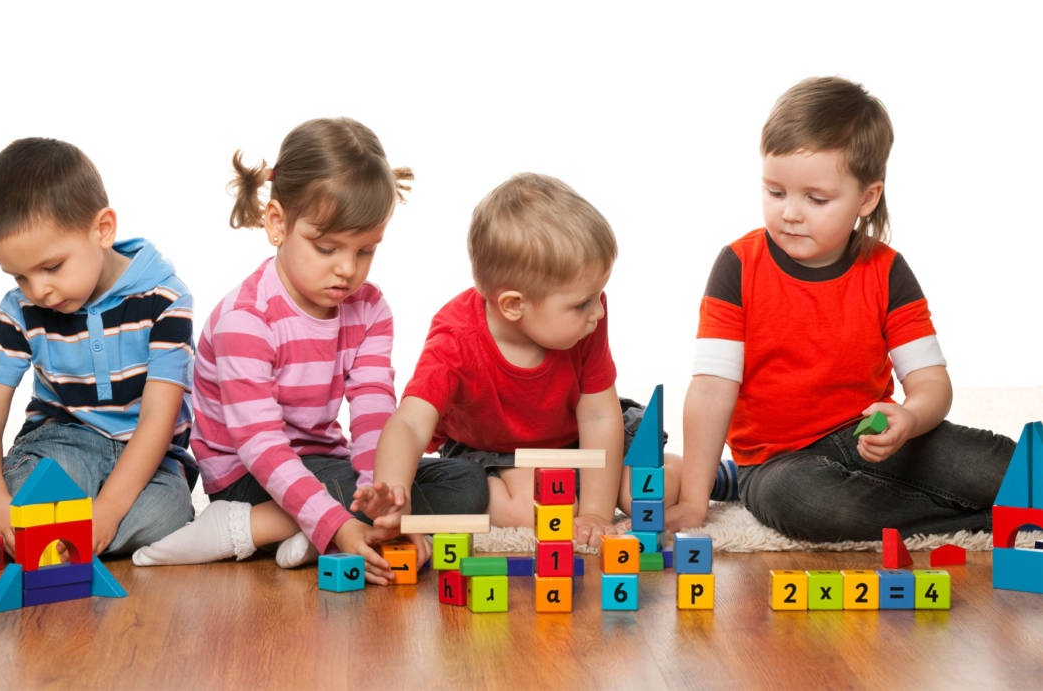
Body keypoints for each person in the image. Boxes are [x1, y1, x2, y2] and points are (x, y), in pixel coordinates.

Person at [131, 118, 488, 583]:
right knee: (348, 493)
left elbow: (373, 415)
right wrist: (347, 519)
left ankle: (314, 529)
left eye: (365, 251)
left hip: (325, 465)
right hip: (247, 476)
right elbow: (260, 445)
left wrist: (380, 498)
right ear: (277, 223)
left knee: (465, 482)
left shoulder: (371, 309)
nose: (347, 269)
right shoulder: (247, 318)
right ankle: (268, 526)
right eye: (327, 248)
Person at [666, 76, 1015, 540]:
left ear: (866, 198)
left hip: (870, 434)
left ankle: (975, 503)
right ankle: (983, 522)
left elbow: (930, 383)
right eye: (776, 192)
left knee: (1000, 463)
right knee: (810, 504)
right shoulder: (737, 266)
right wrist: (693, 501)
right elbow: (711, 390)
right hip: (779, 463)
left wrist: (909, 419)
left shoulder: (887, 271)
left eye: (816, 199)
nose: (790, 212)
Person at [354, 173, 733, 549]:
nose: (597, 312)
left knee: (648, 491)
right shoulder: (456, 340)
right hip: (497, 454)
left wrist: (598, 514)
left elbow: (600, 416)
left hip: (579, 442)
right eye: (582, 302)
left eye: (598, 295)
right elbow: (409, 423)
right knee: (534, 507)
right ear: (514, 305)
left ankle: (726, 478)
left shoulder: (586, 321)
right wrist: (393, 493)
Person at [0, 138, 197, 556]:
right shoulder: (20, 311)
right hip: (63, 443)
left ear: (102, 230)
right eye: (19, 276)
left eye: (51, 267)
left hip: (149, 455)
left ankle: (56, 536)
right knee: (18, 494)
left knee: (169, 517)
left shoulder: (167, 300)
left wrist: (108, 510)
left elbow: (159, 418)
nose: (39, 291)